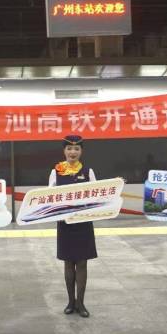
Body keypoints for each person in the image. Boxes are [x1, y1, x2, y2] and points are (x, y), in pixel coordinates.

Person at [49, 135, 97, 318]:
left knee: (82, 263)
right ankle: (70, 301)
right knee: (68, 262)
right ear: (64, 151)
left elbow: (96, 195)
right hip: (65, 223)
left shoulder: (88, 171)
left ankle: (81, 303)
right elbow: (50, 197)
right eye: (69, 148)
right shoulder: (56, 172)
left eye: (76, 149)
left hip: (83, 222)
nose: (73, 152)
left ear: (81, 151)